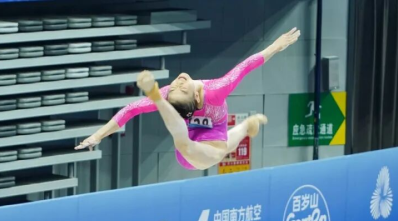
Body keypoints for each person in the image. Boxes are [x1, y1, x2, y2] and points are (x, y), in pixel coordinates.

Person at [75, 28, 301, 170]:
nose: (177, 82)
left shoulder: (217, 90)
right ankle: (241, 128)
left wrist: (276, 46)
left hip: (215, 130)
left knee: (218, 151)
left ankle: (244, 128)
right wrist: (97, 136)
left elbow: (246, 66)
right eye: (178, 89)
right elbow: (131, 109)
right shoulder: (179, 95)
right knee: (188, 144)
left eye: (176, 87)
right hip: (189, 143)